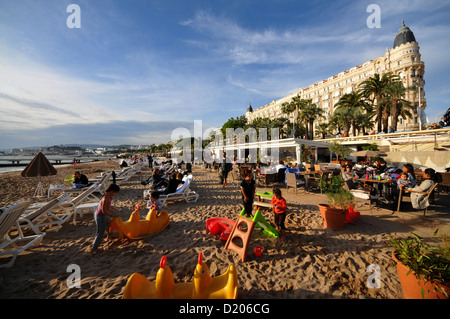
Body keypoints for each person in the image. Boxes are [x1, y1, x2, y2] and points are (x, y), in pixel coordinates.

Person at [91, 183, 120, 253]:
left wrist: (111, 207)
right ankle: (94, 248)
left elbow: (106, 207)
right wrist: (112, 215)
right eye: (115, 192)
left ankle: (109, 235)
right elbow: (104, 211)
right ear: (112, 191)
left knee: (108, 223)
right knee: (100, 232)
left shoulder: (109, 197)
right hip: (100, 215)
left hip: (103, 215)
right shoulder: (105, 198)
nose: (115, 194)